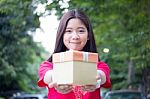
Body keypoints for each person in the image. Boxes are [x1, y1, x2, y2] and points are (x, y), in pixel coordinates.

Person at [37, 9, 111, 99]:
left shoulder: (100, 66)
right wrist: (56, 78)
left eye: (81, 31)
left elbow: (101, 75)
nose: (75, 36)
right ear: (62, 35)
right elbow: (48, 75)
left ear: (88, 35)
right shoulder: (48, 66)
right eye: (68, 31)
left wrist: (96, 80)